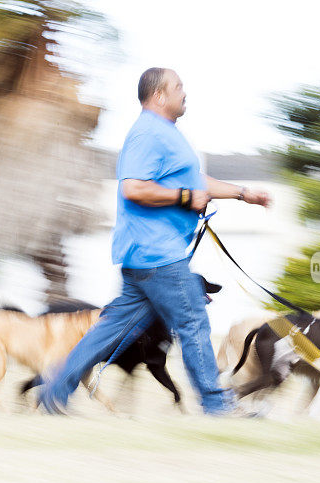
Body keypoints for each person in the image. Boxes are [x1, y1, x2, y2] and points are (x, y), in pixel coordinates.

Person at [38, 67, 270, 415]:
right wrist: (183, 198)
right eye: (178, 87)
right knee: (193, 321)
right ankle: (217, 405)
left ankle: (53, 394)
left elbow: (196, 182)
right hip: (157, 255)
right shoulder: (147, 133)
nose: (185, 92)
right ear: (159, 95)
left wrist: (242, 193)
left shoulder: (166, 134)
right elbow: (134, 188)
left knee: (109, 330)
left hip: (145, 257)